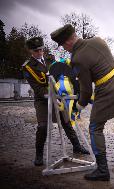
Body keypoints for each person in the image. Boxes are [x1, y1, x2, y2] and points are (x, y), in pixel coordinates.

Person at [51, 24, 114, 181]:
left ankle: (103, 170)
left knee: (95, 127)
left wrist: (78, 106)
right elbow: (96, 61)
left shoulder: (77, 58)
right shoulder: (98, 41)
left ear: (67, 42)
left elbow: (86, 91)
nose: (65, 49)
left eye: (63, 45)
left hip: (107, 91)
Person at [22, 37, 89, 166]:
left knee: (66, 121)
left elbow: (59, 75)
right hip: (42, 99)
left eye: (41, 49)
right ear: (31, 51)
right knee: (42, 126)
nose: (40, 52)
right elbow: (37, 88)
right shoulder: (28, 67)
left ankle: (77, 146)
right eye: (37, 50)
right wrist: (51, 94)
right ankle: (39, 155)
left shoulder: (49, 60)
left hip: (57, 96)